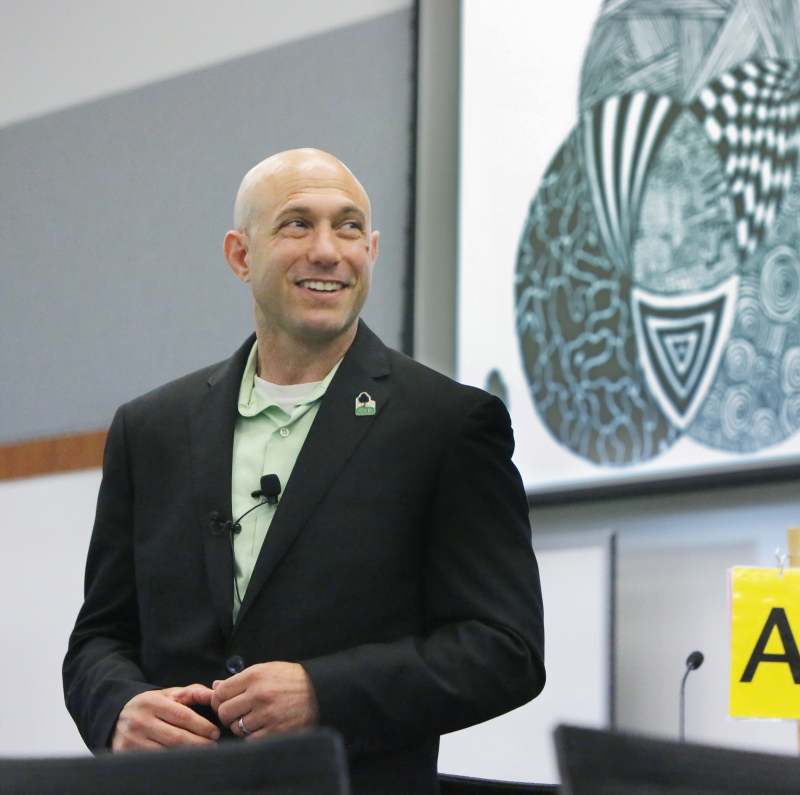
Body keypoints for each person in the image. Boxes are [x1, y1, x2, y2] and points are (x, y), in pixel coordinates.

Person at [63, 148, 545, 794]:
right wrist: (118, 707)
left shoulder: (448, 425)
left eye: (349, 228)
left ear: (371, 250)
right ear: (240, 255)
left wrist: (324, 693)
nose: (328, 250)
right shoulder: (150, 430)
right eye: (297, 224)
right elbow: (99, 637)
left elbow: (505, 649)